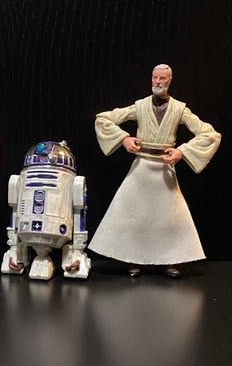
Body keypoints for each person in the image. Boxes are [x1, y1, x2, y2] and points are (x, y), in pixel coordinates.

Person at [88, 64, 221, 278]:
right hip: (141, 167)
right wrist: (124, 138)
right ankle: (133, 258)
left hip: (164, 169)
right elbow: (104, 119)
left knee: (168, 218)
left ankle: (166, 260)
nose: (158, 82)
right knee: (133, 215)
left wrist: (182, 151)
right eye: (155, 78)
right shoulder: (140, 106)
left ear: (170, 80)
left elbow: (210, 134)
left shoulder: (179, 109)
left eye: (162, 78)